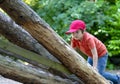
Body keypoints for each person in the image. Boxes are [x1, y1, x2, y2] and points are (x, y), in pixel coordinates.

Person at [65, 20, 120, 84]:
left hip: (101, 54)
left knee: (99, 73)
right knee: (87, 70)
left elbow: (95, 54)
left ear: (83, 31)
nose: (75, 35)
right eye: (73, 33)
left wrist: (94, 67)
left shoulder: (89, 39)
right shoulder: (74, 39)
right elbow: (72, 51)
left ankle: (117, 79)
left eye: (77, 32)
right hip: (91, 55)